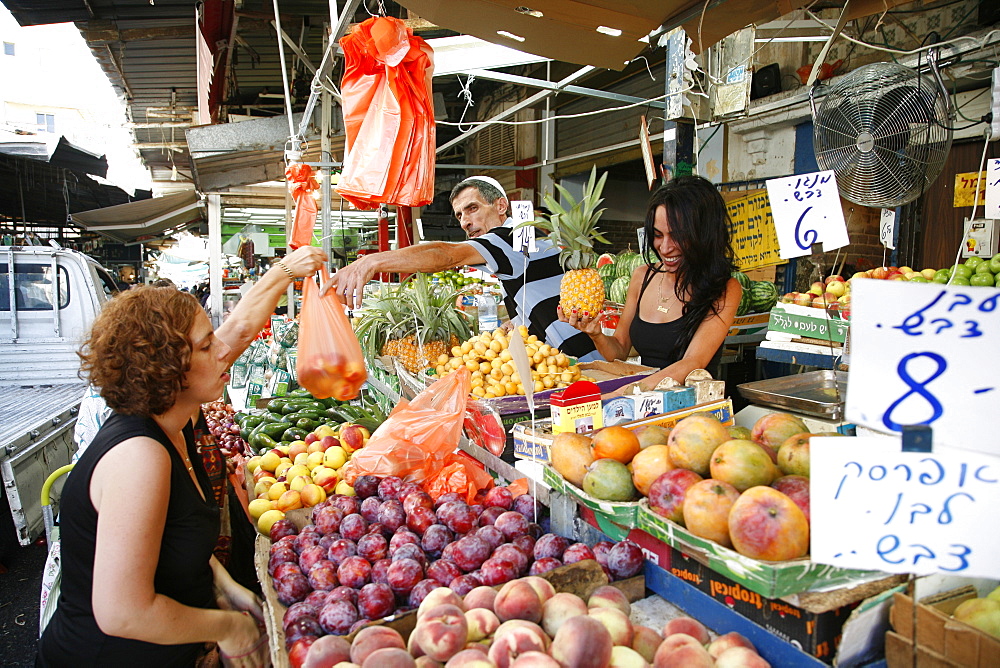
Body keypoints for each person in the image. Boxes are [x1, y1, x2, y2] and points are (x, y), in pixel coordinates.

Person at [38, 246, 326, 667]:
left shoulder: (182, 425)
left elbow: (168, 537)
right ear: (169, 368)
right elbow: (122, 611)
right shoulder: (139, 456)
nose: (222, 351)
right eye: (207, 346)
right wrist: (226, 627)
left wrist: (222, 583)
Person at [332, 176, 602, 362]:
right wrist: (519, 321)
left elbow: (446, 255)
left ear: (501, 206)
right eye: (460, 215)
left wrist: (373, 261)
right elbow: (538, 289)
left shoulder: (507, 238)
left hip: (586, 362)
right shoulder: (530, 239)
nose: (465, 222)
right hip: (579, 361)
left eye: (472, 209)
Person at [560, 176, 741, 391]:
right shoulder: (642, 276)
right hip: (642, 405)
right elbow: (619, 351)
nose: (664, 248)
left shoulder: (724, 288)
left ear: (703, 234)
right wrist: (595, 333)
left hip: (690, 409)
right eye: (657, 235)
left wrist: (623, 392)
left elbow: (693, 363)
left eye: (677, 236)